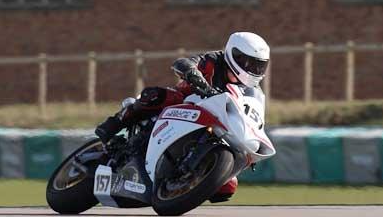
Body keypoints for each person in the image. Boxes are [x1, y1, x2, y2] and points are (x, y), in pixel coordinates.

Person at [95, 30, 270, 202]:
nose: (253, 69)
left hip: (214, 123)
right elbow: (184, 62)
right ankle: (115, 123)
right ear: (235, 55)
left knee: (226, 187)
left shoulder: (254, 92)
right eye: (249, 63)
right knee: (154, 95)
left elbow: (254, 117)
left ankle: (183, 180)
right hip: (184, 101)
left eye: (259, 65)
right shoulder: (214, 60)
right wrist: (193, 74)